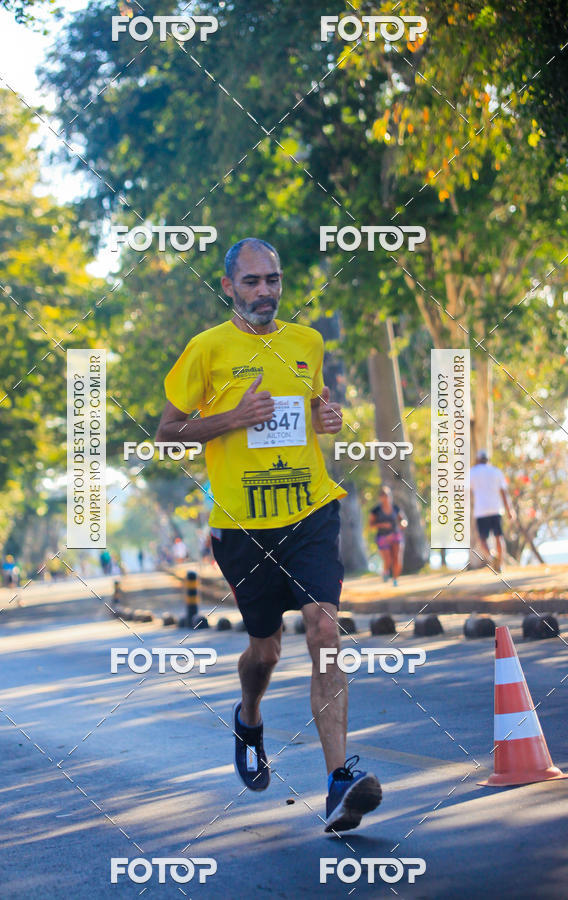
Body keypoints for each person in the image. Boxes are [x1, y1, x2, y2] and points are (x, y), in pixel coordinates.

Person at [156, 237, 382, 833]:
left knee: (325, 627)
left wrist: (327, 420)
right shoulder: (206, 349)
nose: (265, 292)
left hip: (309, 510)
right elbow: (166, 433)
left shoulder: (308, 342)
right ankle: (249, 715)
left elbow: (313, 413)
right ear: (228, 286)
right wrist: (233, 418)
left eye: (273, 280)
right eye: (252, 281)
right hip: (241, 525)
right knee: (265, 651)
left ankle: (338, 781)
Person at [470, 449, 514, 571]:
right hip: (496, 509)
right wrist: (509, 510)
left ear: (478, 460)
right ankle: (500, 561)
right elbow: (504, 492)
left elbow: (465, 491)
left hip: (481, 510)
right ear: (488, 459)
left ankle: (491, 556)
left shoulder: (472, 472)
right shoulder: (496, 471)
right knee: (498, 536)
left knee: (482, 538)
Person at [369, 486, 407, 586]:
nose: (386, 498)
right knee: (388, 560)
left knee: (397, 558)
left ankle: (395, 579)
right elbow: (370, 526)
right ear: (380, 497)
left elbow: (402, 519)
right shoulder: (375, 510)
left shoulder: (395, 508)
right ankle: (385, 572)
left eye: (387, 495)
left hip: (395, 534)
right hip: (382, 537)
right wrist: (382, 525)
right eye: (383, 496)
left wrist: (403, 523)